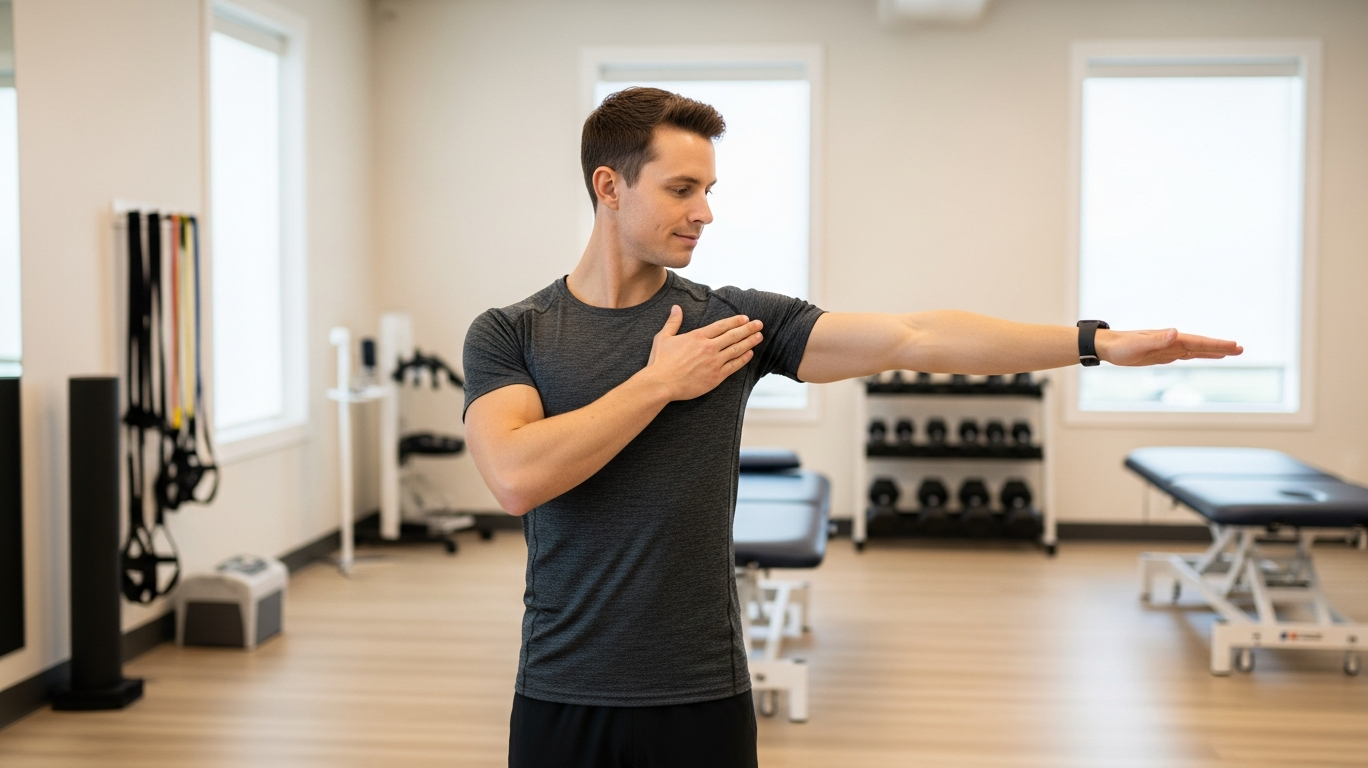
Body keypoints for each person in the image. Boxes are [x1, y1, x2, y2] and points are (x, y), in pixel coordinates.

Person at [461, 87, 1241, 768]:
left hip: (699, 689)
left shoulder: (733, 322)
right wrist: (660, 383)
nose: (705, 211)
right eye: (681, 188)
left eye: (709, 188)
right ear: (610, 186)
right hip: (562, 686)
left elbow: (915, 336)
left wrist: (1093, 344)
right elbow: (518, 476)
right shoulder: (512, 333)